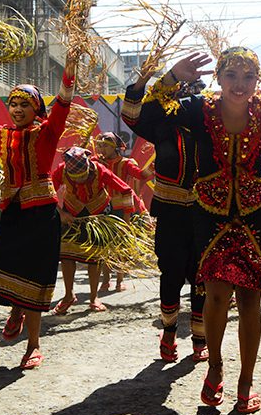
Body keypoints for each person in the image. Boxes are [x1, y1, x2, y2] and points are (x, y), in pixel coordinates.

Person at [125, 22, 261, 413]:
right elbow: (149, 116)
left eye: (248, 76)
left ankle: (245, 382)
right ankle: (216, 370)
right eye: (231, 75)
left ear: (258, 80)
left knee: (250, 300)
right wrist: (173, 76)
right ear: (219, 78)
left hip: (255, 213)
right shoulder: (198, 109)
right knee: (218, 294)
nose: (239, 84)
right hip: (209, 213)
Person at [0, 53, 76, 369]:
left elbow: (65, 100)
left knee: (35, 280)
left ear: (36, 109)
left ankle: (33, 347)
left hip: (42, 216)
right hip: (13, 214)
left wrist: (71, 65)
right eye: (13, 104)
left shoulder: (49, 131)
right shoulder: (2, 134)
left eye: (25, 104)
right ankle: (15, 309)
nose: (18, 110)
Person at [123, 78, 208, 363]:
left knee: (201, 276)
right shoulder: (162, 125)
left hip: (204, 214)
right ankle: (169, 331)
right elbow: (131, 116)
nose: (189, 97)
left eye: (195, 92)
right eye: (184, 91)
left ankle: (199, 337)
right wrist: (142, 83)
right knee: (170, 274)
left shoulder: (211, 126)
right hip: (170, 213)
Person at [51, 146, 134, 314]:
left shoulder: (100, 170)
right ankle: (68, 295)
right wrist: (61, 213)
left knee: (94, 257)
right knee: (67, 256)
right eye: (76, 178)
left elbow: (126, 190)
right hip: (71, 214)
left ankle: (94, 297)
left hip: (98, 214)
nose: (80, 181)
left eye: (83, 176)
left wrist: (125, 222)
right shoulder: (61, 171)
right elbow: (47, 191)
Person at [93, 131, 152, 291]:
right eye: (100, 145)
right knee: (105, 244)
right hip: (103, 207)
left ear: (114, 147)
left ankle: (119, 280)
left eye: (105, 145)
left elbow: (140, 175)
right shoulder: (97, 163)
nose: (101, 149)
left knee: (121, 244)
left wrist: (154, 165)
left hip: (124, 209)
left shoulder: (126, 163)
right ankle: (105, 280)